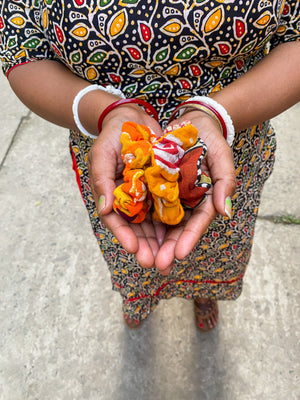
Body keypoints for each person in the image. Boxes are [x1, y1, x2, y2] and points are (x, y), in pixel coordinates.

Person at [0, 1, 299, 332]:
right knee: (132, 252)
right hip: (113, 160)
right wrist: (105, 112)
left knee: (215, 242)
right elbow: (21, 48)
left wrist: (217, 113)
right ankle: (139, 296)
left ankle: (203, 293)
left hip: (228, 151)